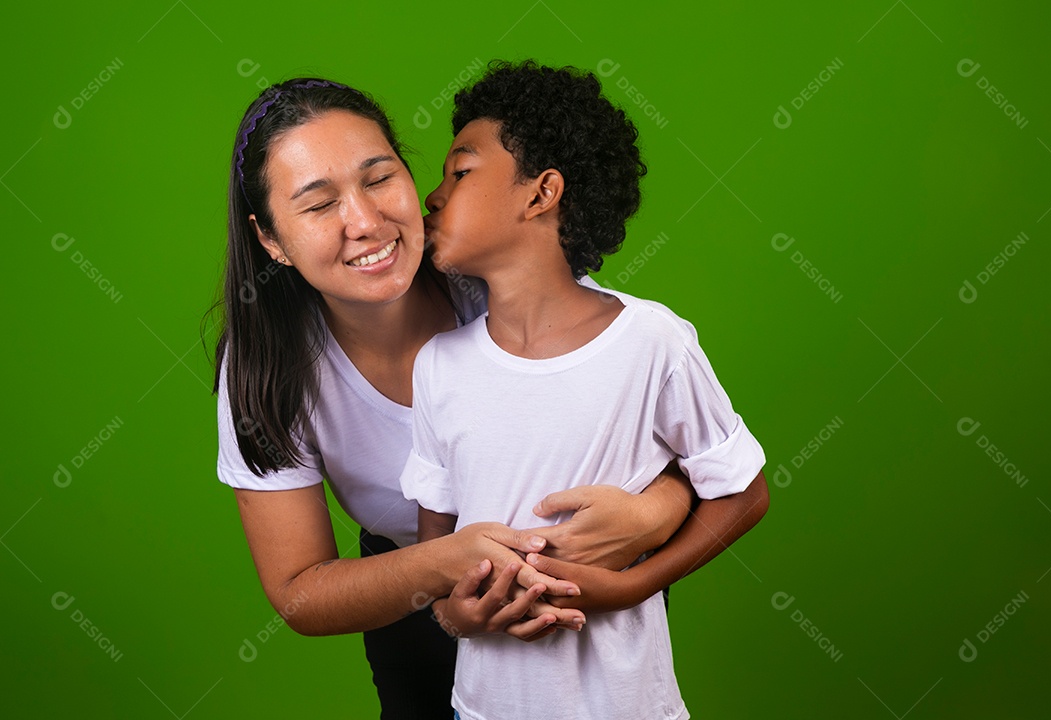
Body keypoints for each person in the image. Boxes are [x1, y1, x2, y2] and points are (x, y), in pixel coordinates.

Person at [213, 77, 765, 718]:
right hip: (408, 599)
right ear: (271, 239)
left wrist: (652, 516)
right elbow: (300, 593)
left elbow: (657, 433)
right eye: (317, 205)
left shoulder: (504, 280)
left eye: (379, 178)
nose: (364, 222)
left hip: (587, 589)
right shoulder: (266, 368)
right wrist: (449, 575)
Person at [401, 61, 768, 719]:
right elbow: (435, 562)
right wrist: (455, 613)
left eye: (460, 172)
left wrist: (630, 587)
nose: (432, 196)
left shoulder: (653, 342)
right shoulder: (438, 367)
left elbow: (744, 492)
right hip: (480, 709)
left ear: (541, 194)